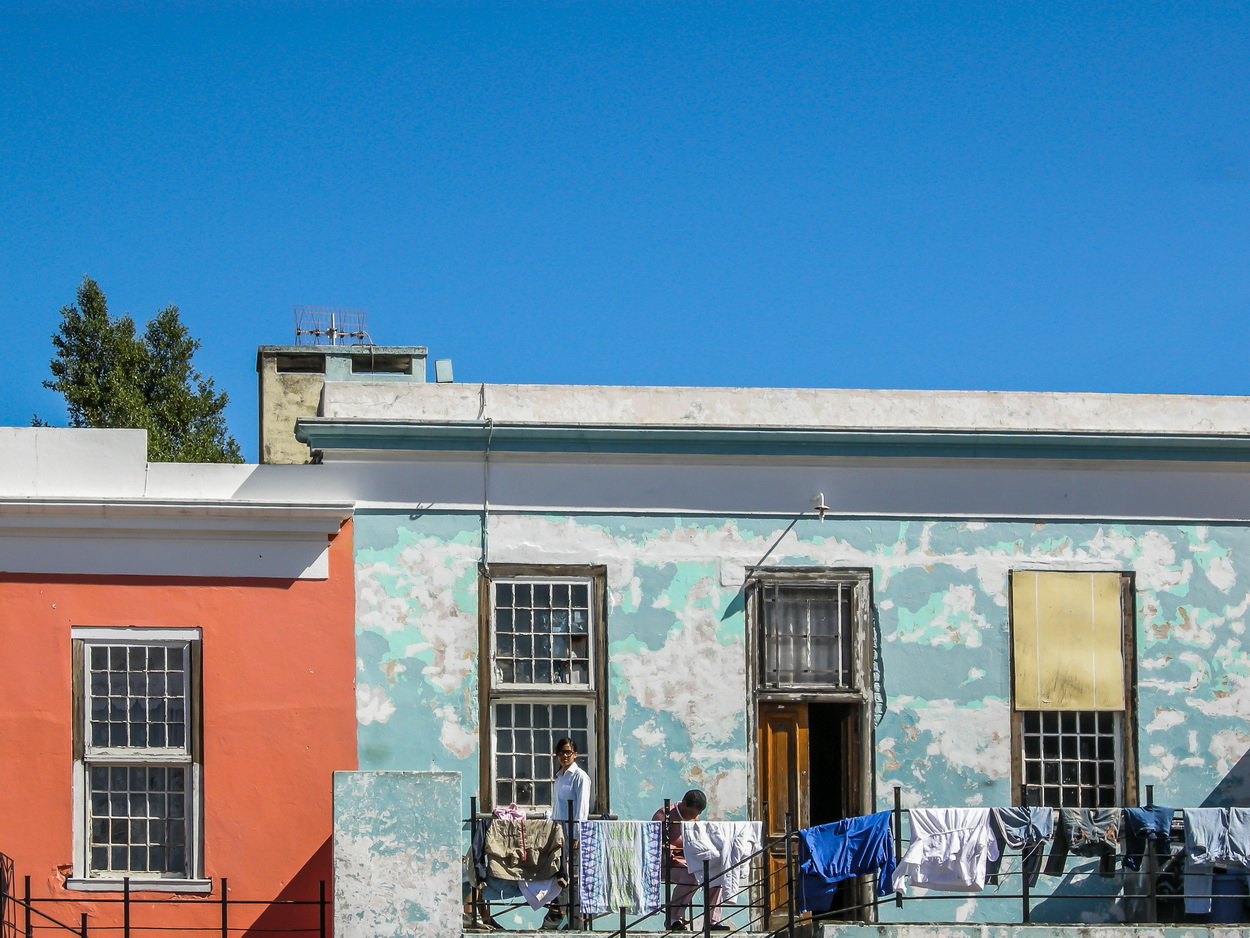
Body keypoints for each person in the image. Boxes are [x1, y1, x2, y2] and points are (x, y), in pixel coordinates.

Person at [653, 789, 727, 931]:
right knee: (691, 877)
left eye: (697, 814)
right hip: (666, 862)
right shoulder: (663, 815)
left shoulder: (693, 818)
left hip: (688, 860)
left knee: (716, 874)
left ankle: (712, 920)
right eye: (692, 813)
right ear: (684, 804)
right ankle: (673, 919)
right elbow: (657, 844)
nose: (694, 817)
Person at [542, 738, 591, 929]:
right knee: (560, 876)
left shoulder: (579, 777)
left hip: (573, 835)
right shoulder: (560, 777)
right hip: (559, 833)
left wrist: (577, 836)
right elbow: (557, 808)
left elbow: (582, 809)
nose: (564, 756)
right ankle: (561, 920)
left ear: (575, 754)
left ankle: (569, 922)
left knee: (573, 877)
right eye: (561, 752)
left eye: (568, 752)